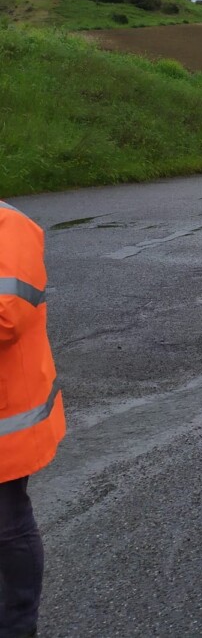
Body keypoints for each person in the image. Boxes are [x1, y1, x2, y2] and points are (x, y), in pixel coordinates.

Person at [0, 200, 67, 638]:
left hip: (7, 425)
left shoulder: (11, 226)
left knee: (5, 528)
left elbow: (8, 315)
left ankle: (16, 624)